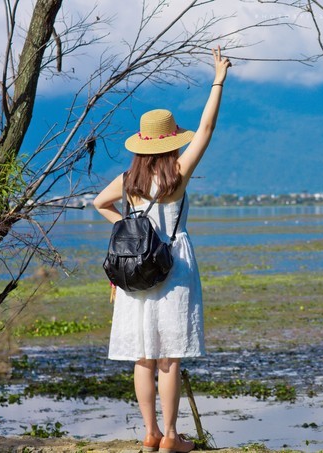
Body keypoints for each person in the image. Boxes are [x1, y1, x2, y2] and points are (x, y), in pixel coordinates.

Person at [93, 47, 231, 453]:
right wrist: (218, 79)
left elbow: (100, 203)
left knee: (143, 356)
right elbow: (206, 129)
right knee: (170, 356)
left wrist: (127, 228)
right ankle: (172, 438)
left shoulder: (129, 179)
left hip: (134, 272)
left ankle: (150, 433)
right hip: (174, 264)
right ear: (170, 142)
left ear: (141, 144)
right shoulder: (177, 176)